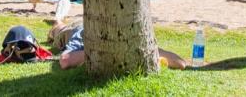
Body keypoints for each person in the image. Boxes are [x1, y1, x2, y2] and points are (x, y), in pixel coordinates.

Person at [55, 20, 186, 70]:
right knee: (58, 29)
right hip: (76, 27)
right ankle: (57, 22)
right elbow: (65, 61)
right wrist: (112, 51)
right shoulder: (85, 34)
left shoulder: (132, 38)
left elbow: (181, 63)